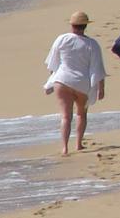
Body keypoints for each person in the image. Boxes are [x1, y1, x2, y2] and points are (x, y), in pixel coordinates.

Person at [44, 11, 107, 155]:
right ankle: (78, 144)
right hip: (82, 83)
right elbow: (97, 68)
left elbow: (53, 63)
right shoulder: (92, 44)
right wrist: (101, 87)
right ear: (85, 26)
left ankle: (65, 147)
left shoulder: (62, 39)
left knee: (65, 116)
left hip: (62, 80)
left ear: (72, 25)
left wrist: (51, 80)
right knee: (81, 114)